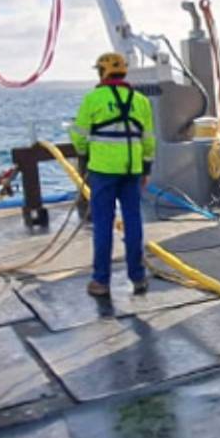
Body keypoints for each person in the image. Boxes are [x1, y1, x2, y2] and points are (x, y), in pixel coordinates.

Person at [69, 52, 156, 296]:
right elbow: (148, 141)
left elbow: (78, 135)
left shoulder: (93, 99)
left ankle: (101, 281)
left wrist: (85, 155)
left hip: (103, 172)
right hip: (132, 172)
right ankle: (138, 278)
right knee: (133, 222)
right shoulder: (141, 101)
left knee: (103, 225)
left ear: (101, 72)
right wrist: (146, 169)